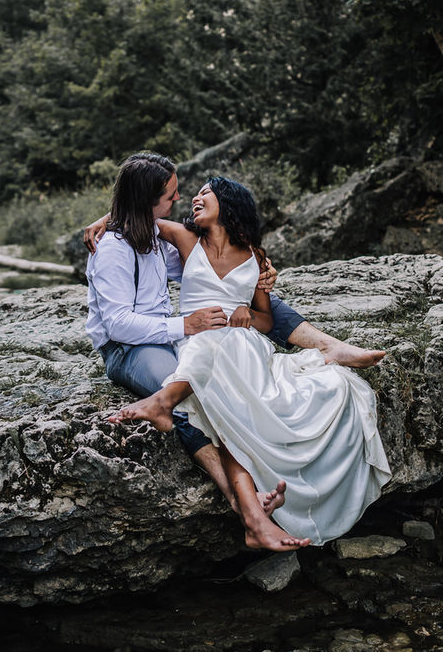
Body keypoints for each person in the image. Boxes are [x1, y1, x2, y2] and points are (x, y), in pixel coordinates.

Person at [110, 175, 391, 551]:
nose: (194, 198)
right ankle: (171, 409)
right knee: (217, 374)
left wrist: (246, 311)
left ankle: (166, 400)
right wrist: (100, 223)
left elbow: (265, 319)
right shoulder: (185, 237)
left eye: (205, 193)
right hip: (198, 339)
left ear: (227, 203)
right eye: (194, 194)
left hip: (242, 344)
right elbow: (134, 219)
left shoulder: (254, 255)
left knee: (239, 360)